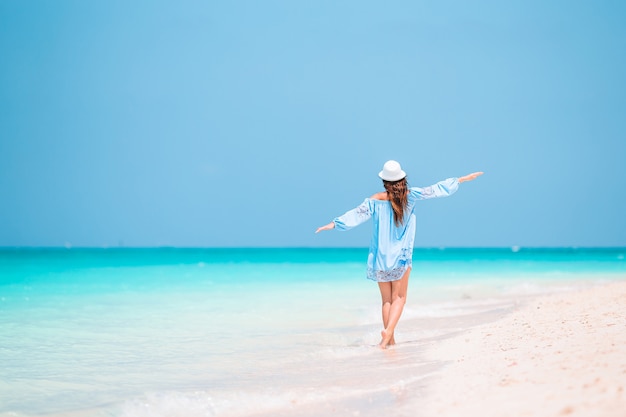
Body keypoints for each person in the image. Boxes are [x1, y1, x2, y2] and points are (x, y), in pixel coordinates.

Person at [315, 160, 483, 349]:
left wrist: (334, 224)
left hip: (380, 257)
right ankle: (389, 333)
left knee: (386, 300)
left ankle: (388, 340)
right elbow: (435, 190)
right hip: (401, 256)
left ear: (385, 182)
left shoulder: (375, 200)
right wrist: (461, 180)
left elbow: (355, 215)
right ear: (403, 179)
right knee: (400, 298)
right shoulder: (410, 197)